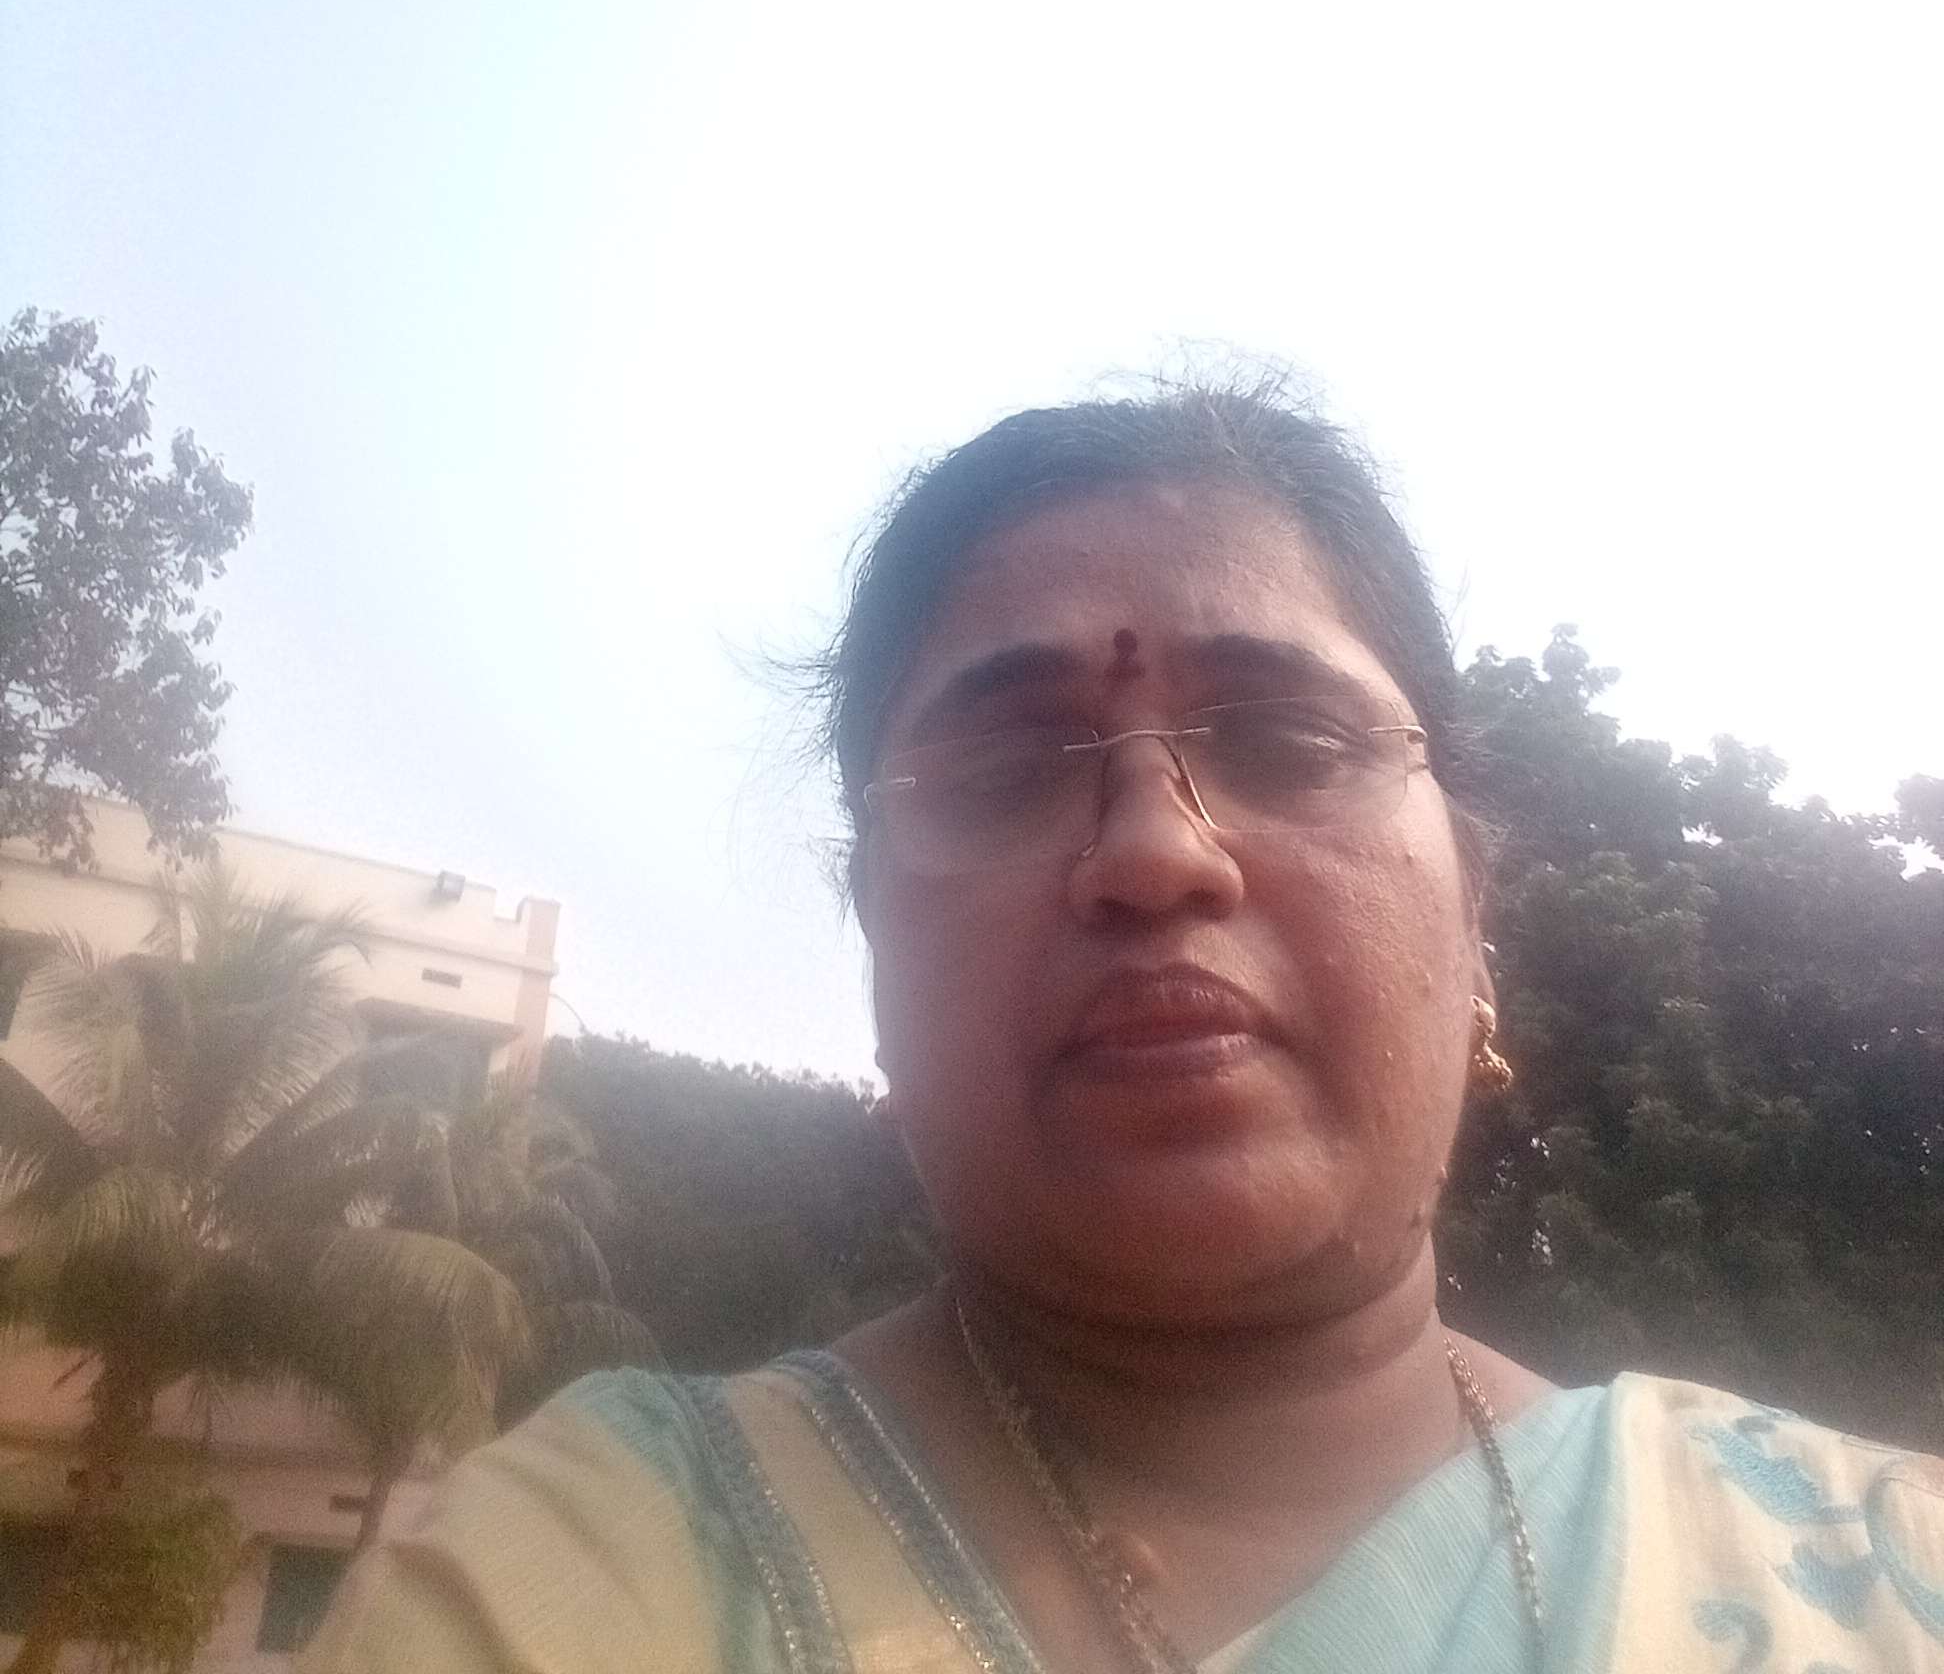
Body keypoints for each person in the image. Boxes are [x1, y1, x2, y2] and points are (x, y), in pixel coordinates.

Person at [306, 379, 1944, 1673]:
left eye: (1291, 740)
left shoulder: (1884, 1573)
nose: (1158, 852)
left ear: (1475, 921)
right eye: (1007, 770)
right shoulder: (577, 1579)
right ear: (876, 944)